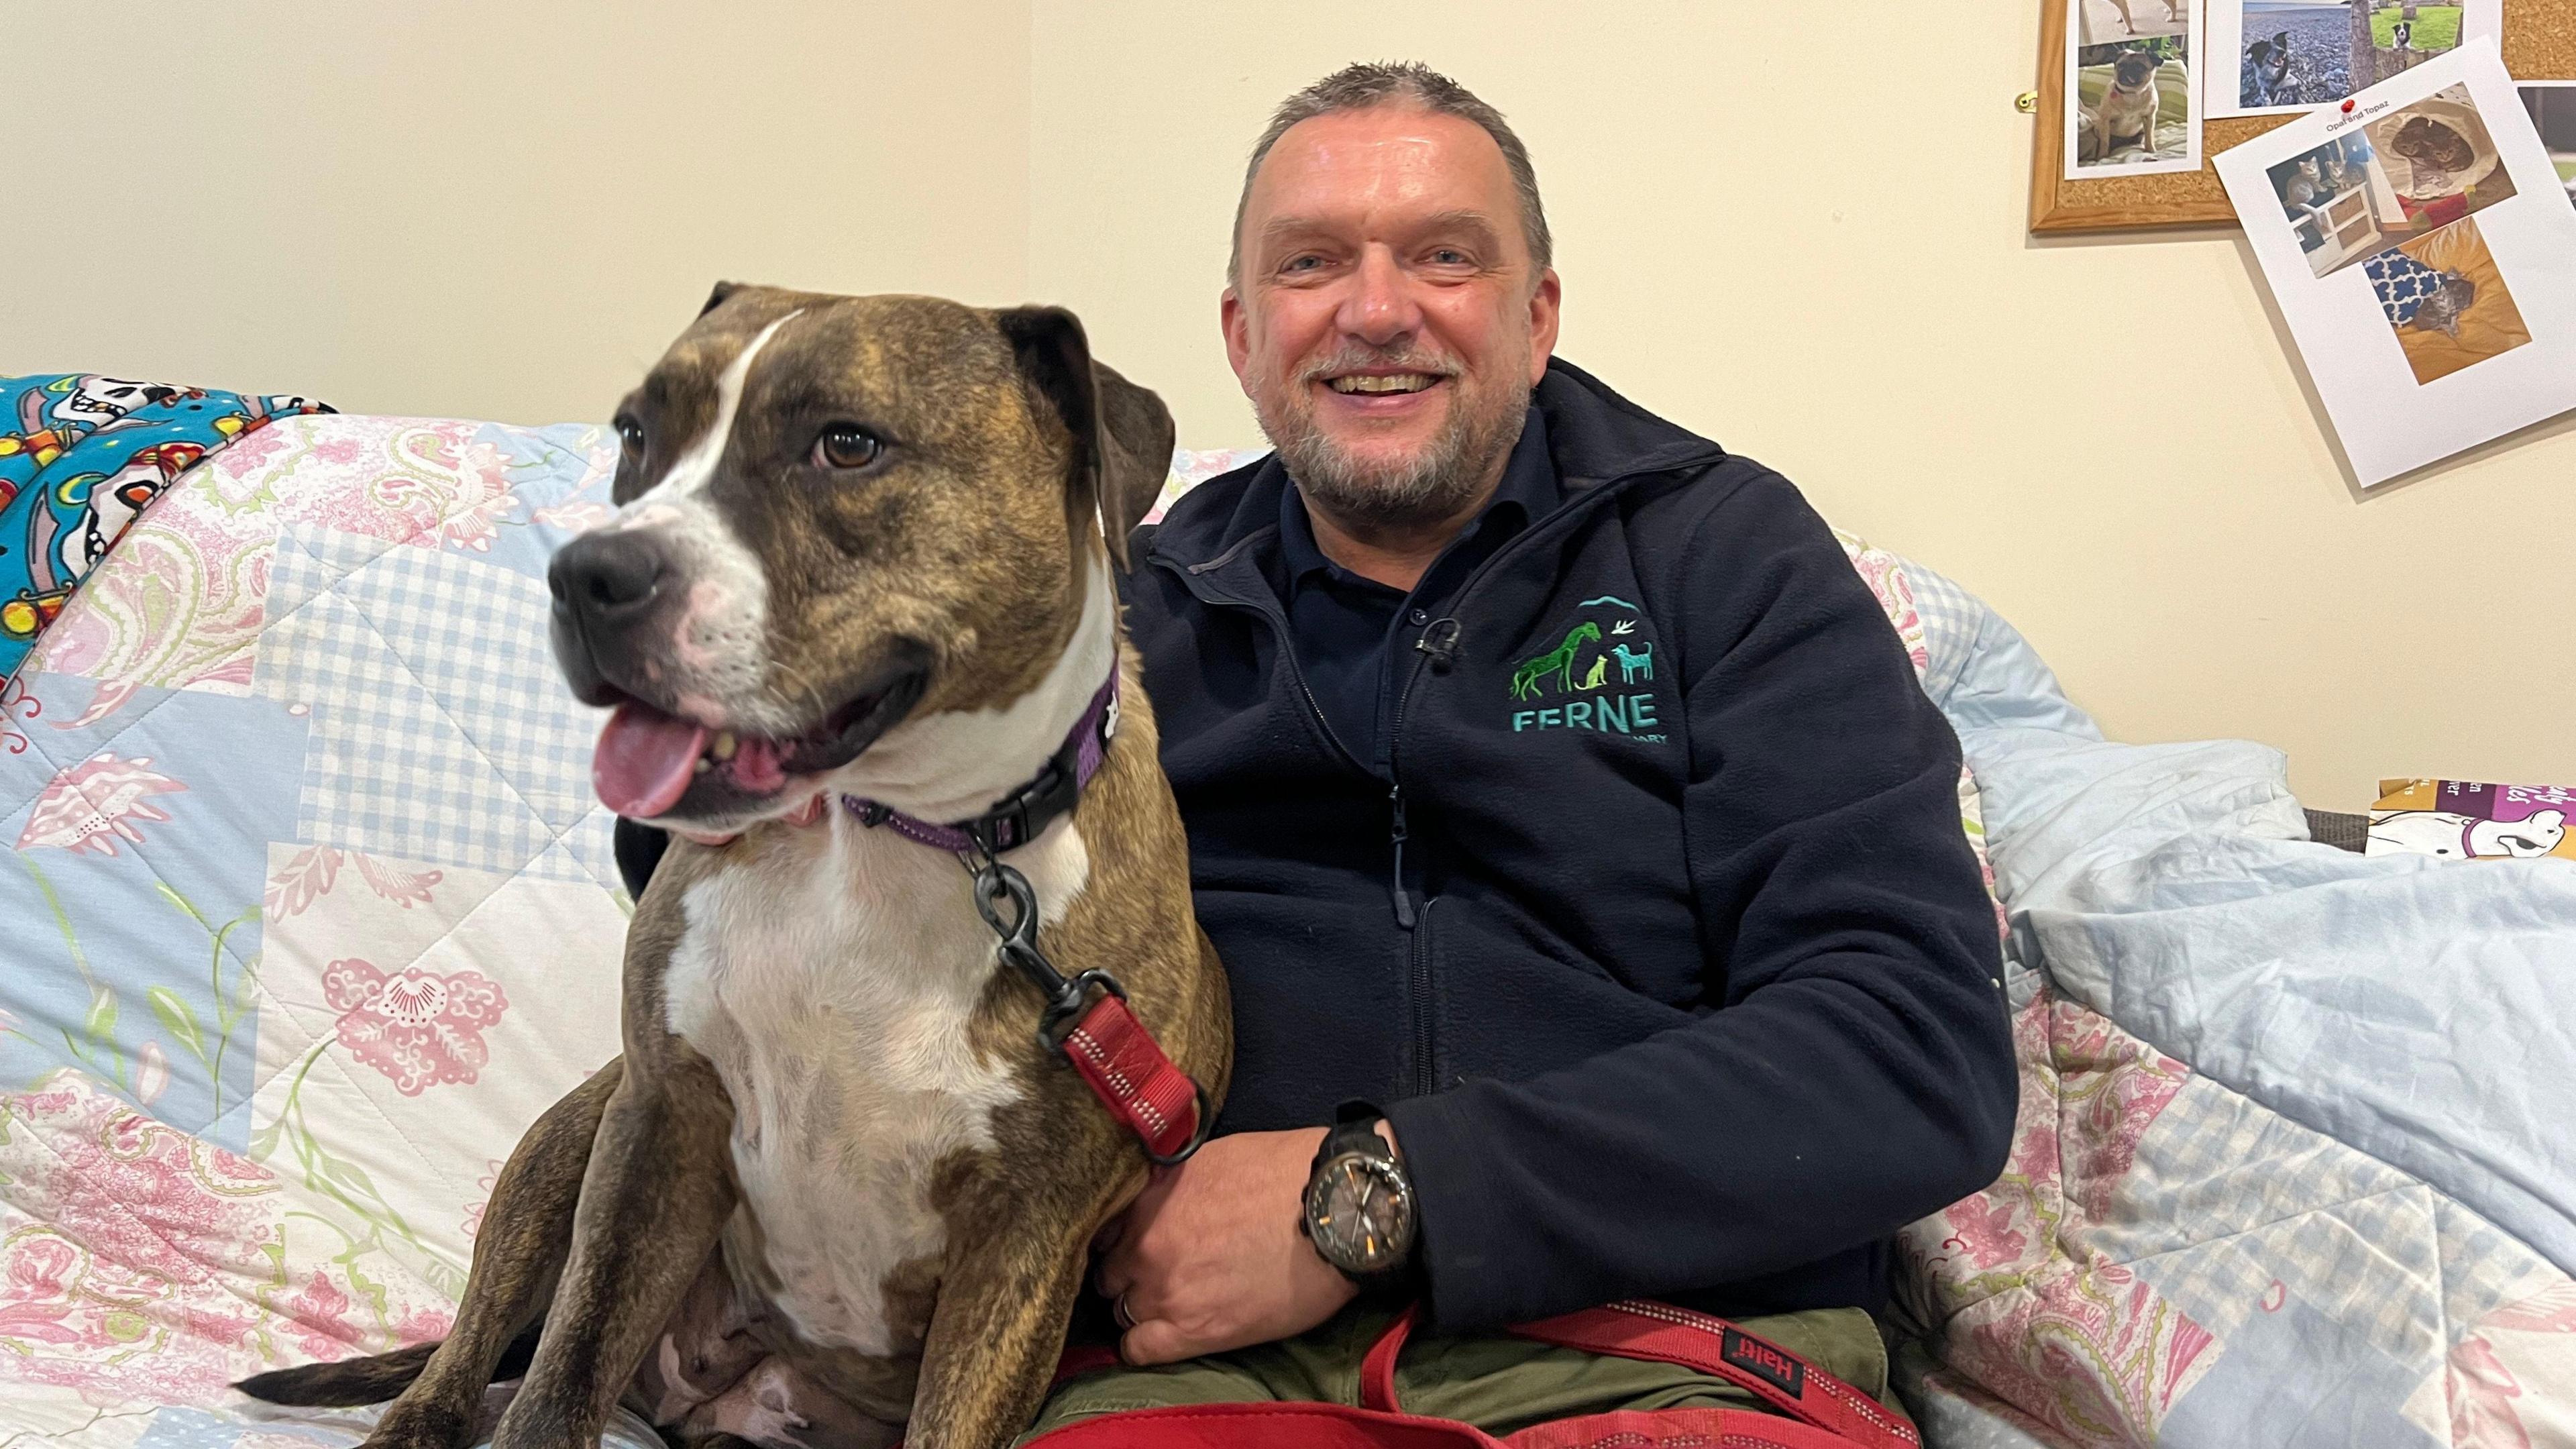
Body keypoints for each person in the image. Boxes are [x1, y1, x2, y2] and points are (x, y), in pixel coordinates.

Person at [1036, 62, 2017, 1437]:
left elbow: (1910, 1051)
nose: (1376, 313)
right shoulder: (1118, 619)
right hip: (1187, 1376)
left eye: (1444, 256)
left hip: (1663, 1357)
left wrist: (1378, 1194)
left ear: (1536, 314)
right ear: (1243, 334)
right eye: (1312, 264)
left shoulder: (1728, 559)